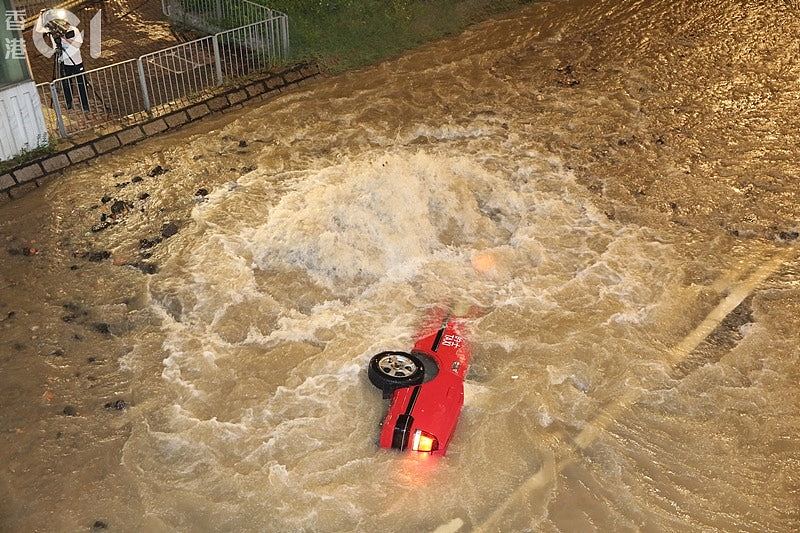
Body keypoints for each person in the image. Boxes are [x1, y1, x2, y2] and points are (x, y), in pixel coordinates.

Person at [52, 21, 90, 112]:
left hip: (76, 62)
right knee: (66, 84)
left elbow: (77, 45)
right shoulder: (55, 33)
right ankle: (69, 102)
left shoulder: (74, 30)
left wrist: (65, 38)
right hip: (64, 63)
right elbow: (55, 48)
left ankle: (85, 104)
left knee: (81, 84)